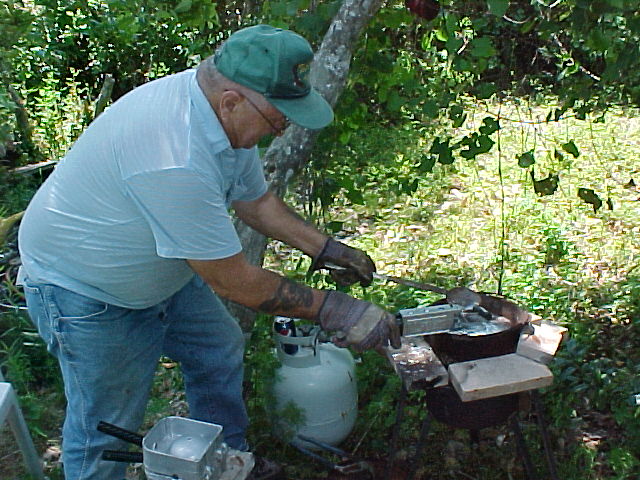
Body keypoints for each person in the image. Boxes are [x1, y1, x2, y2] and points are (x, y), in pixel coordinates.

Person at [17, 24, 401, 480]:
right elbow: (232, 280)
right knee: (105, 427)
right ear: (233, 101)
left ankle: (228, 464)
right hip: (88, 291)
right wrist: (338, 310)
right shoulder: (174, 153)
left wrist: (327, 248)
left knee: (218, 350)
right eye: (277, 119)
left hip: (163, 273)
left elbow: (255, 201)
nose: (280, 129)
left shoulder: (221, 115)